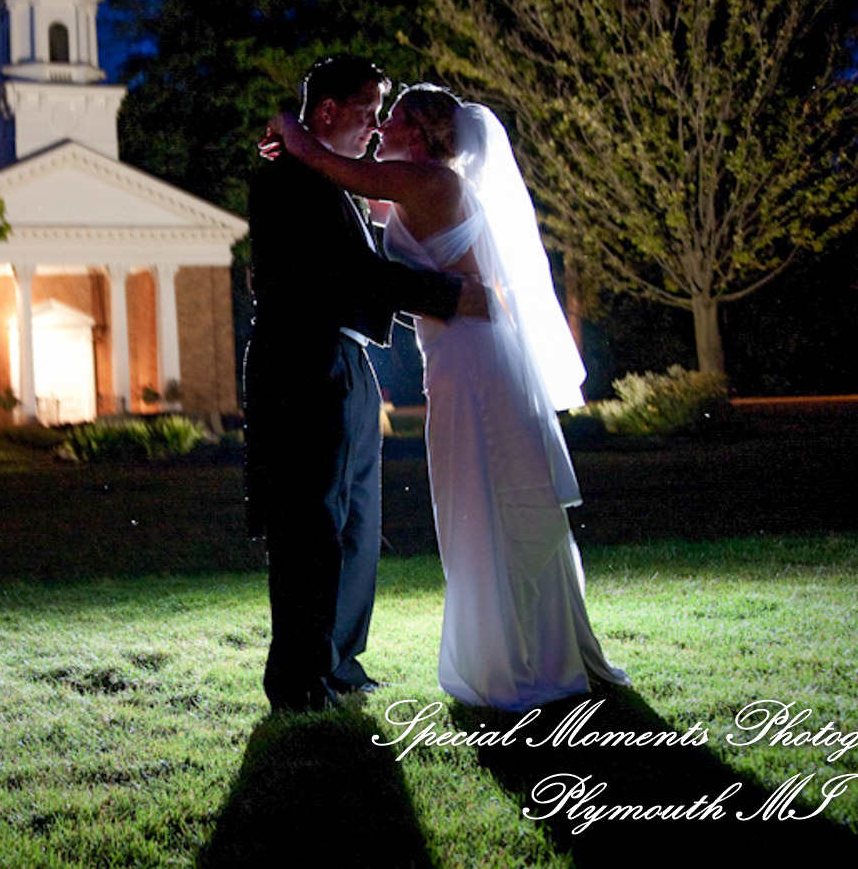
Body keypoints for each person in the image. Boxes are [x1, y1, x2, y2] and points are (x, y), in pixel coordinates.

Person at [267, 84, 629, 710]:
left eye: (394, 118)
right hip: (458, 354)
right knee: (479, 499)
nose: (381, 129)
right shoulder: (420, 186)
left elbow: (338, 171)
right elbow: (358, 217)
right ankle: (528, 645)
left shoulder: (430, 182)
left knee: (484, 500)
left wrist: (284, 126)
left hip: (471, 360)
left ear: (423, 132)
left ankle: (515, 659)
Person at [245, 56, 481, 713]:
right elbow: (361, 273)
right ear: (326, 112)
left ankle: (340, 661)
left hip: (346, 367)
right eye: (367, 110)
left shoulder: (330, 180)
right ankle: (296, 681)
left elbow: (369, 265)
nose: (377, 126)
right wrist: (455, 295)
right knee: (309, 526)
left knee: (355, 518)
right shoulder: (286, 181)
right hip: (301, 369)